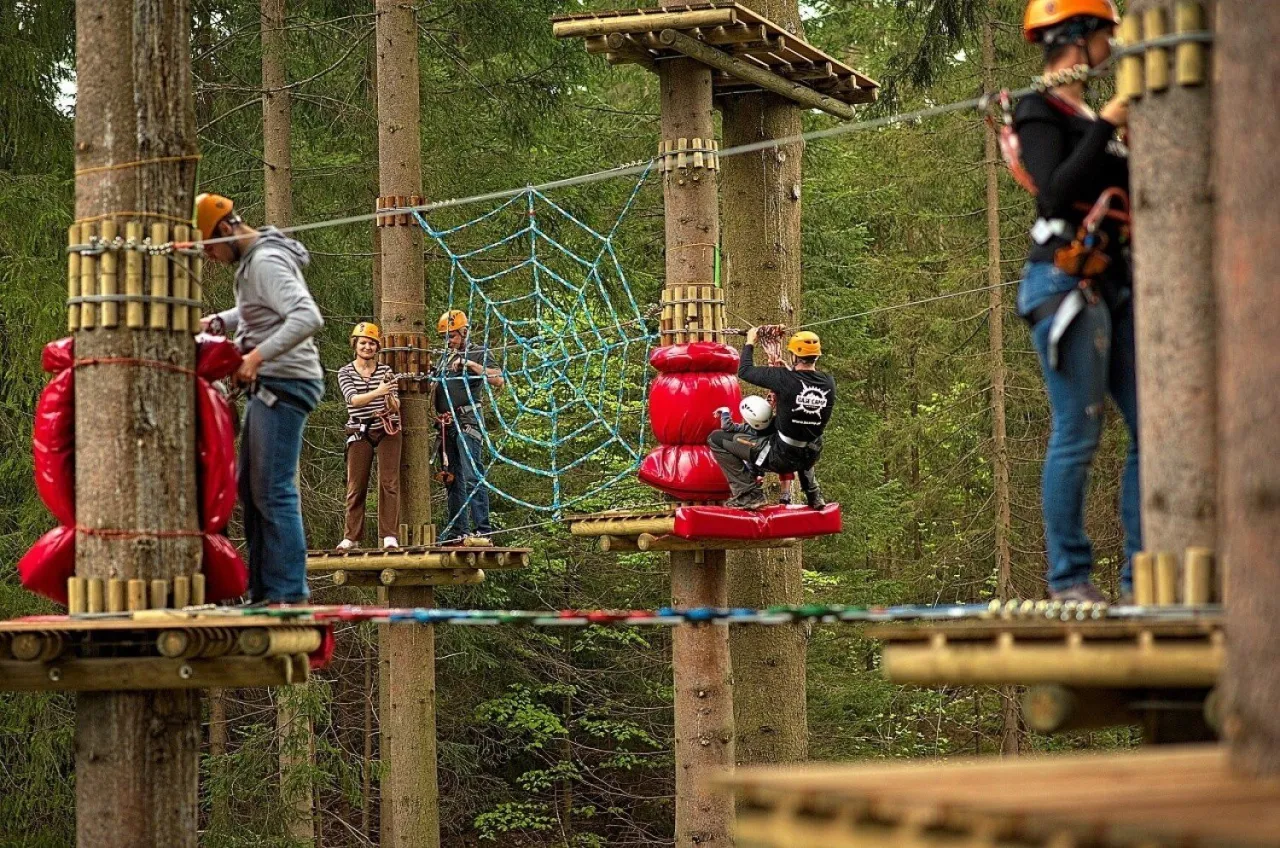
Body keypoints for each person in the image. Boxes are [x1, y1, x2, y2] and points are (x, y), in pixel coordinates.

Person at [1016, 0, 1139, 603]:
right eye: (1107, 36)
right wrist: (1107, 126)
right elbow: (1054, 194)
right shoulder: (1039, 108)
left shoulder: (1090, 116)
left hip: (1115, 285)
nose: (1112, 47)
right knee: (1078, 430)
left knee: (1150, 428)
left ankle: (1142, 576)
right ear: (1078, 36)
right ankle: (1069, 579)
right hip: (1063, 280)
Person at [197, 192, 324, 605]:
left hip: (284, 383)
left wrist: (254, 355)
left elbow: (307, 316)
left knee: (272, 490)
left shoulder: (265, 261)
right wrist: (218, 321)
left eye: (208, 247)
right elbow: (254, 311)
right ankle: (265, 591)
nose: (210, 257)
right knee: (251, 490)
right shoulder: (254, 263)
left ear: (225, 229)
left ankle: (288, 594)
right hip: (273, 383)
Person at [708, 328, 835, 510]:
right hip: (809, 456)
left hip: (781, 457)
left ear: (794, 356)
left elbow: (744, 371)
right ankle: (814, 494)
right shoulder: (828, 382)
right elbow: (801, 384)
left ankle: (748, 495)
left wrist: (750, 341)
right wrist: (789, 371)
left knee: (716, 439)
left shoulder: (784, 378)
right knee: (807, 432)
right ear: (816, 356)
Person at [433, 309, 504, 544]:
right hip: (447, 424)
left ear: (464, 332)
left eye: (452, 336)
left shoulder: (478, 352)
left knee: (473, 475)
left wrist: (470, 364)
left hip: (467, 422)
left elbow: (498, 379)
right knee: (453, 479)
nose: (449, 341)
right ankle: (458, 531)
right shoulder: (444, 357)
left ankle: (484, 530)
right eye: (446, 338)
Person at [336, 322, 401, 551]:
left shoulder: (385, 371)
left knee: (389, 482)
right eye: (363, 342)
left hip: (387, 428)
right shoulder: (345, 372)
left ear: (377, 347)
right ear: (355, 345)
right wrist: (378, 392)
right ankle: (351, 536)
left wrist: (391, 401)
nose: (367, 347)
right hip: (359, 429)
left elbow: (394, 402)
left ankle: (389, 536)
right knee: (356, 484)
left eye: (372, 343)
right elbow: (353, 400)